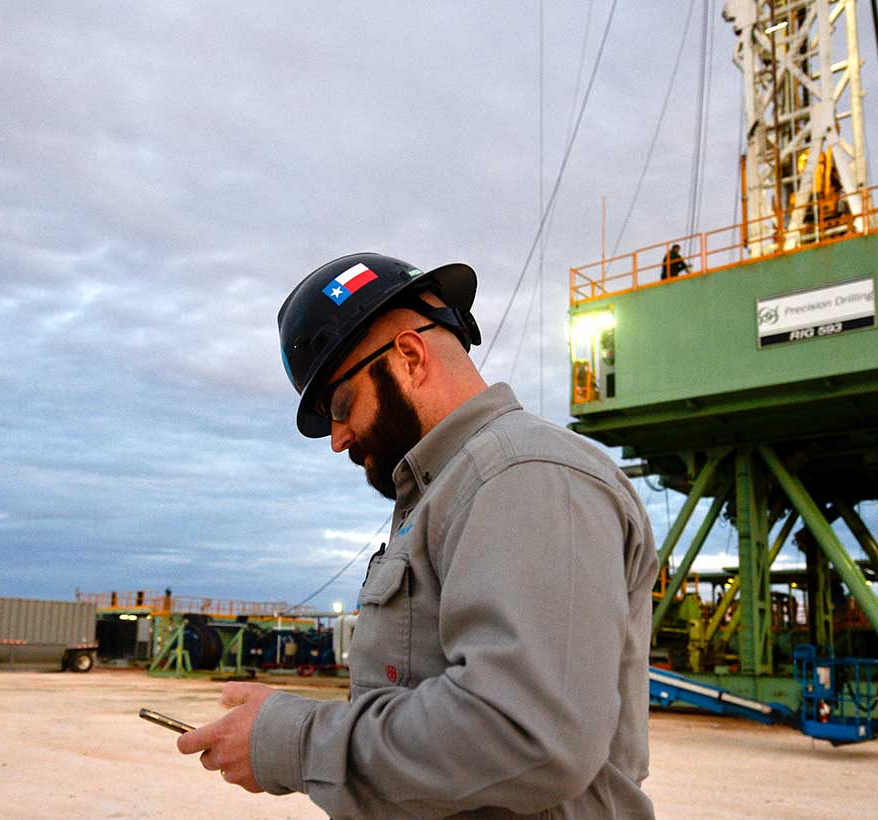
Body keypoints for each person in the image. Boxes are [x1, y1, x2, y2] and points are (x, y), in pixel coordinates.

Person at [177, 252, 659, 818]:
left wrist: (294, 740)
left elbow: (528, 735)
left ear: (408, 355)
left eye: (340, 403)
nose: (335, 438)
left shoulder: (522, 473)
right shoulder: (450, 493)